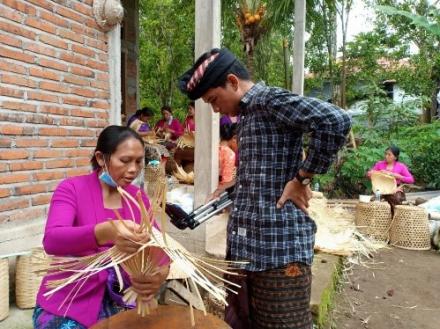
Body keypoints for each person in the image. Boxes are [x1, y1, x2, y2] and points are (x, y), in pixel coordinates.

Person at [178, 48, 351, 329]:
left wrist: (303, 178)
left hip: (278, 252)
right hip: (246, 251)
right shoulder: (245, 115)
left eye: (213, 100)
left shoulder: (270, 101)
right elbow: (265, 170)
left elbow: (336, 120)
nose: (215, 109)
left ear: (232, 82)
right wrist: (236, 185)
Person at [33, 126, 170, 329]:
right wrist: (106, 231)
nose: (133, 169)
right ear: (100, 158)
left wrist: (158, 276)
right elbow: (52, 240)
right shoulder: (72, 189)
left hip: (124, 299)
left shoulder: (137, 198)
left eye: (139, 161)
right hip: (70, 300)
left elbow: (160, 251)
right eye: (125, 160)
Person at [367, 145, 414, 212]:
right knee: (374, 201)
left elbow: (411, 180)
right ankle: (379, 218)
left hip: (395, 188)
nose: (386, 156)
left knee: (397, 199)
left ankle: (395, 217)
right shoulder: (379, 164)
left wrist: (396, 175)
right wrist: (370, 173)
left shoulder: (401, 166)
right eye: (386, 154)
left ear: (395, 157)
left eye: (389, 155)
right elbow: (370, 174)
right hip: (380, 188)